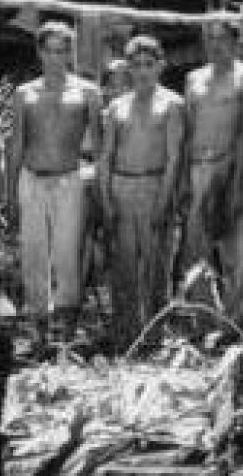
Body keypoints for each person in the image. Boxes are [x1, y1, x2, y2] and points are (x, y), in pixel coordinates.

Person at [7, 21, 103, 345]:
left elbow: (100, 146)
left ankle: (67, 324)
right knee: (34, 253)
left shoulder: (87, 93)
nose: (56, 58)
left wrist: (102, 188)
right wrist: (10, 191)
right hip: (32, 179)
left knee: (67, 253)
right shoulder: (25, 94)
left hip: (69, 180)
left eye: (63, 51)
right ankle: (38, 325)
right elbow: (16, 143)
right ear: (40, 52)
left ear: (70, 54)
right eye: (50, 51)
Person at [97, 35, 185, 351]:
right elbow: (105, 156)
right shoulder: (116, 108)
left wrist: (165, 198)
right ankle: (126, 335)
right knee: (123, 264)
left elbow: (175, 156)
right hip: (121, 185)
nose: (142, 72)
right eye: (135, 65)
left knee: (156, 263)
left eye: (149, 64)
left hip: (154, 184)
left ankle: (154, 335)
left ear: (161, 65)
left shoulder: (172, 104)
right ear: (128, 68)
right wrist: (105, 198)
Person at [180, 20, 243, 324]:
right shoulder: (193, 78)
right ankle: (204, 316)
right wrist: (183, 177)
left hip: (230, 166)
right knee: (196, 247)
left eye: (222, 38)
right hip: (197, 166)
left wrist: (237, 178)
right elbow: (187, 129)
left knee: (235, 247)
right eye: (210, 39)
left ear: (235, 42)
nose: (216, 45)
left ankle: (239, 318)